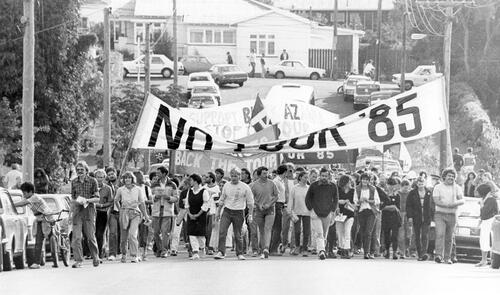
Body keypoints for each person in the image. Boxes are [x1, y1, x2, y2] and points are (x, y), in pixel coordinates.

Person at [214, 168, 254, 260]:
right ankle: (221, 252)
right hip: (227, 211)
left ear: (239, 176)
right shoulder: (226, 185)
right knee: (222, 232)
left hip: (239, 212)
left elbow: (250, 202)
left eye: (236, 176)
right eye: (232, 176)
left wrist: (250, 214)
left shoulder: (245, 187)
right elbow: (222, 199)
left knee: (237, 234)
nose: (233, 178)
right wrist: (218, 212)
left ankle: (239, 253)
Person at [13, 182, 53, 269]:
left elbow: (23, 203)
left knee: (51, 238)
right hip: (39, 220)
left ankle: (55, 257)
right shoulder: (30, 199)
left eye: (24, 193)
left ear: (30, 191)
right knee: (38, 242)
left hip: (47, 219)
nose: (23, 195)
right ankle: (37, 263)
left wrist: (11, 205)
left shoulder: (35, 197)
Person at [114, 172, 151, 263]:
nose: (127, 179)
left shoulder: (138, 189)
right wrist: (120, 210)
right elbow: (116, 200)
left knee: (132, 234)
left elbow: (142, 203)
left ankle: (134, 255)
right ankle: (124, 254)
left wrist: (146, 216)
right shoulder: (120, 189)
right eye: (125, 178)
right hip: (124, 213)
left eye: (129, 178)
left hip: (135, 213)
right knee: (124, 237)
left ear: (132, 179)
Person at [70, 161, 100, 268]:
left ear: (86, 170)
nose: (79, 172)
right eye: (77, 170)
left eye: (82, 170)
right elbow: (72, 198)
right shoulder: (73, 182)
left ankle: (95, 257)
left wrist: (87, 200)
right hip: (78, 210)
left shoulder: (93, 181)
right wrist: (71, 211)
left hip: (89, 209)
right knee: (77, 237)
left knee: (90, 236)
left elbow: (97, 198)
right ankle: (79, 260)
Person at [305, 168, 339, 260]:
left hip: (327, 213)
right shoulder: (314, 185)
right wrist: (311, 210)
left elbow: (336, 199)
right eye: (322, 176)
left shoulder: (333, 186)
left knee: (324, 234)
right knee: (319, 233)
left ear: (329, 176)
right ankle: (322, 251)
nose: (324, 178)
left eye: (326, 176)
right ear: (320, 175)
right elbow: (308, 198)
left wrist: (332, 211)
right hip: (315, 212)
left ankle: (321, 248)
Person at [432, 168, 464, 264]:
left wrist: (454, 204)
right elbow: (436, 200)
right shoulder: (438, 187)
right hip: (440, 214)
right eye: (449, 176)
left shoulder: (457, 188)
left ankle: (447, 258)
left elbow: (462, 200)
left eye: (453, 176)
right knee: (440, 234)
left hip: (452, 215)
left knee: (449, 237)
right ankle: (438, 255)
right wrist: (446, 205)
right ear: (444, 176)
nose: (451, 178)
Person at [250, 166, 278, 258]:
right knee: (261, 230)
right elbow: (251, 198)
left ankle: (266, 248)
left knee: (268, 228)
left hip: (270, 208)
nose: (266, 175)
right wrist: (258, 205)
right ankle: (262, 250)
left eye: (267, 173)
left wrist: (269, 204)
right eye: (264, 173)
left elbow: (276, 196)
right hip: (259, 209)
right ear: (259, 175)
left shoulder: (271, 183)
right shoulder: (254, 185)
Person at [151, 167, 178, 258]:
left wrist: (168, 198)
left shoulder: (172, 184)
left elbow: (176, 198)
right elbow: (150, 197)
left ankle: (164, 250)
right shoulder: (154, 184)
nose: (157, 174)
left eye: (159, 173)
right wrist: (155, 197)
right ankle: (159, 248)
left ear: (164, 173)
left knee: (165, 232)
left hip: (167, 210)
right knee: (156, 232)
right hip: (156, 210)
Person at [406, 176, 434, 261]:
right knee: (417, 236)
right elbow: (409, 206)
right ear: (417, 184)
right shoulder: (412, 193)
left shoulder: (429, 192)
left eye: (422, 183)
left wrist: (432, 217)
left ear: (424, 183)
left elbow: (432, 205)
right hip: (416, 216)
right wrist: (410, 216)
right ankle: (419, 253)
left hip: (426, 217)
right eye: (419, 183)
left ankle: (424, 252)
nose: (420, 185)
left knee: (425, 235)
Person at [354, 173, 380, 259]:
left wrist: (368, 200)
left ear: (369, 181)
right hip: (361, 211)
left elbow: (377, 201)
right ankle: (367, 250)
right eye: (363, 179)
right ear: (361, 180)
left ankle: (367, 252)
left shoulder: (373, 189)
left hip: (371, 211)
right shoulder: (357, 189)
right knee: (363, 232)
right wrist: (359, 201)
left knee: (369, 232)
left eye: (366, 179)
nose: (364, 181)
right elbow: (355, 201)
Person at [185, 174, 210, 260]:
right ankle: (195, 252)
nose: (190, 182)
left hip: (201, 215)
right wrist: (190, 214)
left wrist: (198, 214)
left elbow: (206, 204)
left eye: (191, 180)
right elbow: (186, 204)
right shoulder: (190, 191)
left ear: (195, 181)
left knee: (200, 234)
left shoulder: (204, 191)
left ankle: (202, 248)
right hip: (191, 214)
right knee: (191, 233)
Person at [475, 183, 499, 267]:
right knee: (484, 241)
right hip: (486, 222)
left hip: (490, 222)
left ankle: (489, 261)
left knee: (490, 241)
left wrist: (481, 204)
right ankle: (484, 260)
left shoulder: (491, 200)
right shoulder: (485, 199)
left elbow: (484, 212)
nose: (477, 193)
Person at [94, 169, 113, 260]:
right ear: (95, 177)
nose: (99, 179)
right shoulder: (91, 187)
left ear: (104, 178)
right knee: (91, 234)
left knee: (100, 234)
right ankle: (92, 253)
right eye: (98, 177)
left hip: (102, 213)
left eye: (101, 177)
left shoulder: (108, 188)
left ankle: (99, 254)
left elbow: (110, 202)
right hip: (91, 213)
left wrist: (101, 205)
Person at [290, 171, 311, 257]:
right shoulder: (294, 188)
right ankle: (297, 246)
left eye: (307, 177)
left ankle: (305, 248)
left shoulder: (309, 188)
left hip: (307, 212)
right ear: (300, 177)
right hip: (296, 212)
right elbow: (291, 200)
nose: (306, 179)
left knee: (306, 231)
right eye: (305, 177)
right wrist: (290, 211)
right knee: (297, 231)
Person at [381, 177, 402, 260]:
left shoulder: (397, 196)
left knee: (395, 235)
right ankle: (386, 250)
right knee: (386, 234)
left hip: (395, 218)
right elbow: (382, 207)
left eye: (393, 185)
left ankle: (394, 251)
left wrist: (390, 207)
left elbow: (398, 208)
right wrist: (391, 207)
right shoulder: (383, 195)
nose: (391, 187)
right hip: (386, 217)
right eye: (390, 185)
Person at [335, 175, 355, 259]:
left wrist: (349, 203)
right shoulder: (338, 190)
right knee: (340, 233)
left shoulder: (353, 191)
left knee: (347, 232)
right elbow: (335, 200)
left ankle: (347, 250)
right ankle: (342, 248)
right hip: (340, 215)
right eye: (348, 181)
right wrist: (341, 202)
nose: (350, 182)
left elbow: (355, 204)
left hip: (350, 214)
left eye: (350, 181)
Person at [270, 165, 288, 255]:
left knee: (277, 227)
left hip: (281, 204)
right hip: (277, 204)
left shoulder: (281, 181)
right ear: (284, 172)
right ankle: (273, 249)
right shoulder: (276, 181)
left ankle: (273, 248)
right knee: (277, 227)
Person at [105, 167, 120, 261]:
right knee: (112, 233)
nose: (111, 176)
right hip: (112, 212)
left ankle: (121, 252)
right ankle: (112, 253)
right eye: (109, 174)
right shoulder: (106, 186)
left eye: (112, 174)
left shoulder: (122, 183)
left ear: (116, 173)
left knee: (122, 233)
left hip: (123, 211)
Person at [204, 172, 220, 255]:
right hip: (204, 210)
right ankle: (205, 246)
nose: (205, 179)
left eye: (207, 177)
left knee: (211, 230)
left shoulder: (217, 188)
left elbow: (218, 202)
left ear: (211, 178)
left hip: (213, 211)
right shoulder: (204, 188)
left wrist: (218, 212)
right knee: (205, 230)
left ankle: (210, 247)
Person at [397, 179, 412, 258]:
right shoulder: (398, 194)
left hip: (408, 215)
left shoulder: (410, 194)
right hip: (400, 214)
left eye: (407, 188)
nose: (406, 190)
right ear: (401, 187)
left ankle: (407, 248)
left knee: (409, 234)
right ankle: (402, 251)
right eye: (405, 188)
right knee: (401, 234)